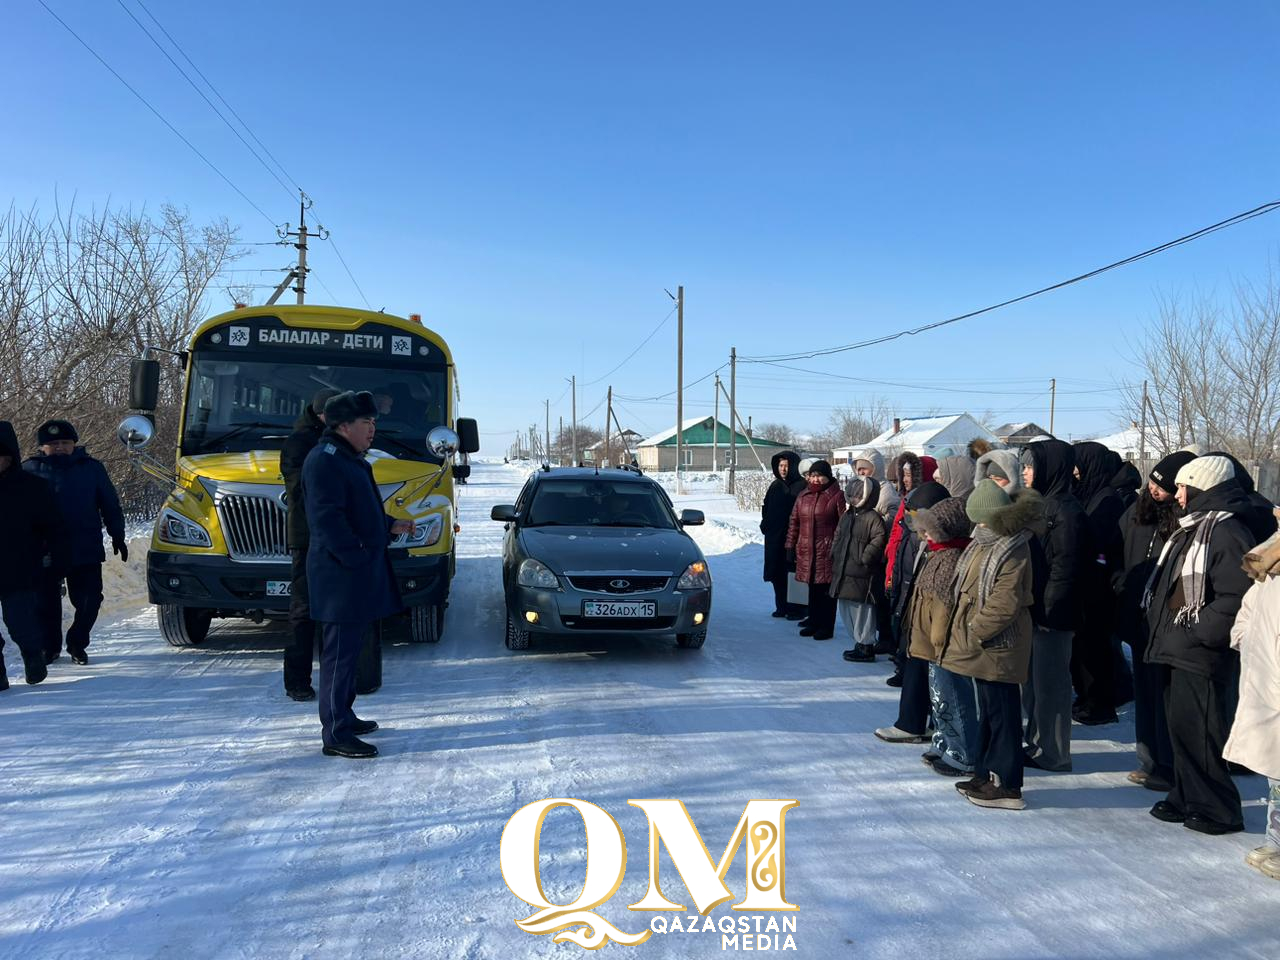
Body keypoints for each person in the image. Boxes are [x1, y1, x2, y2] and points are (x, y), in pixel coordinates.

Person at [1143, 455, 1255, 834]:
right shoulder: (1193, 527)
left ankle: (1219, 808)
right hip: (1178, 647)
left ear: (1201, 488)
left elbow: (1236, 595)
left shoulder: (1225, 531)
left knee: (1201, 733)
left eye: (1183, 487)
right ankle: (1186, 796)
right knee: (1181, 730)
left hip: (1199, 652)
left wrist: (1199, 633)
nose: (1176, 495)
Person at [303, 391, 414, 759]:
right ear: (343, 425)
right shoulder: (325, 461)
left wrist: (390, 525)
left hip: (355, 573)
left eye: (374, 422)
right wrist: (359, 554)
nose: (373, 429)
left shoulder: (351, 460)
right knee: (338, 657)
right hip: (341, 576)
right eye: (367, 423)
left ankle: (344, 715)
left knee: (351, 654)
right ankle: (335, 733)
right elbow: (327, 521)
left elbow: (362, 512)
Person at [947, 479, 1043, 810]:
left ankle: (1007, 785)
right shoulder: (984, 542)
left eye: (981, 518)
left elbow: (1006, 600)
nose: (977, 524)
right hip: (984, 644)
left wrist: (976, 630)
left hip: (1001, 642)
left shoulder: (1012, 546)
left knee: (1003, 714)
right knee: (989, 712)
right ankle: (985, 774)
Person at [1114, 451, 1195, 792]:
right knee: (1145, 693)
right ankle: (1149, 759)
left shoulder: (1183, 523)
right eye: (1152, 482)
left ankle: (1166, 763)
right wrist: (1119, 582)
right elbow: (1119, 549)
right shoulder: (1136, 512)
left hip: (1164, 620)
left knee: (1164, 697)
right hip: (1136, 613)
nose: (1155, 490)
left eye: (1163, 486)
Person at [23, 419, 126, 666]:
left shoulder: (92, 468)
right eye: (53, 444)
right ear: (42, 447)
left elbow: (110, 504)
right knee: (45, 603)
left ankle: (77, 643)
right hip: (44, 549)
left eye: (65, 443)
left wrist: (118, 534)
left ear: (74, 445)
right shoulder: (28, 470)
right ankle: (50, 647)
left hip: (84, 546)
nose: (60, 447)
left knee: (90, 599)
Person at [1020, 438, 1090, 772]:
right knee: (1033, 684)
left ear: (1050, 468)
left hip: (1054, 614)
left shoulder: (1066, 510)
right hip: (1035, 609)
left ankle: (1055, 752)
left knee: (1051, 686)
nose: (1025, 472)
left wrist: (1050, 611)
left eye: (1031, 465)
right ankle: (1037, 744)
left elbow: (1066, 567)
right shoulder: (1041, 504)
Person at [901, 497, 974, 776]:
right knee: (938, 698)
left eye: (931, 529)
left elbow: (944, 606)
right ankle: (943, 741)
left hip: (940, 644)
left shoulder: (952, 558)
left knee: (951, 699)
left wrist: (938, 641)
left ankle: (961, 752)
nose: (925, 535)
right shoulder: (937, 554)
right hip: (926, 641)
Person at [873, 478, 950, 741]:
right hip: (911, 607)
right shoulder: (914, 535)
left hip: (930, 618)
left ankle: (917, 724)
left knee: (926, 671)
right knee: (914, 665)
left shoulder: (940, 544)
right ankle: (913, 721)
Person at [279, 388, 340, 701]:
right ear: (323, 414)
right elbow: (303, 492)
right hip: (308, 537)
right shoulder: (301, 443)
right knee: (303, 610)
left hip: (335, 537)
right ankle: (297, 681)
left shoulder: (333, 442)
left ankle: (346, 679)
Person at [1227, 525, 1280, 879]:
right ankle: (1275, 839)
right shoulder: (1268, 560)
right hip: (1263, 677)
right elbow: (1249, 607)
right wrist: (1244, 637)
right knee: (1275, 772)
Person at [0, 421, 65, 688]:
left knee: (20, 621)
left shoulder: (32, 487)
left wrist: (57, 558)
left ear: (9, 457)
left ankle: (31, 654)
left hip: (20, 567)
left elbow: (54, 527)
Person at [1069, 441, 1127, 725]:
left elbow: (1102, 543)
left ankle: (1100, 703)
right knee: (1084, 649)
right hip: (1088, 583)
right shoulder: (1087, 494)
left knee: (1096, 648)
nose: (1075, 472)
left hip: (1100, 587)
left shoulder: (1108, 499)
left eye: (1079, 464)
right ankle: (1087, 698)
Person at [785, 460, 845, 641]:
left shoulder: (836, 496)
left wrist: (837, 548)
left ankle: (826, 626)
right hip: (806, 549)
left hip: (827, 551)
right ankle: (813, 621)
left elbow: (843, 524)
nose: (816, 479)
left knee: (826, 590)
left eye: (820, 475)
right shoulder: (803, 495)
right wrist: (790, 546)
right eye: (813, 475)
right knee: (812, 588)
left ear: (828, 477)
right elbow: (794, 522)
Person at [830, 475, 887, 661]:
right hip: (845, 571)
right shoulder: (847, 515)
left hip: (863, 574)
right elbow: (838, 534)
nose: (854, 497)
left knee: (863, 612)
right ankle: (858, 642)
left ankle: (866, 646)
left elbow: (879, 539)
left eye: (858, 494)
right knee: (846, 607)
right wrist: (834, 552)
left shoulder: (873, 518)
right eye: (852, 494)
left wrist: (866, 557)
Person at [761, 451, 806, 619]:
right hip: (774, 537)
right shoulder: (775, 486)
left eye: (787, 466)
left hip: (794, 538)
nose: (783, 469)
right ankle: (781, 606)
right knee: (777, 573)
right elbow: (766, 506)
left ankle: (797, 609)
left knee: (793, 573)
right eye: (780, 466)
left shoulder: (801, 486)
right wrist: (765, 524)